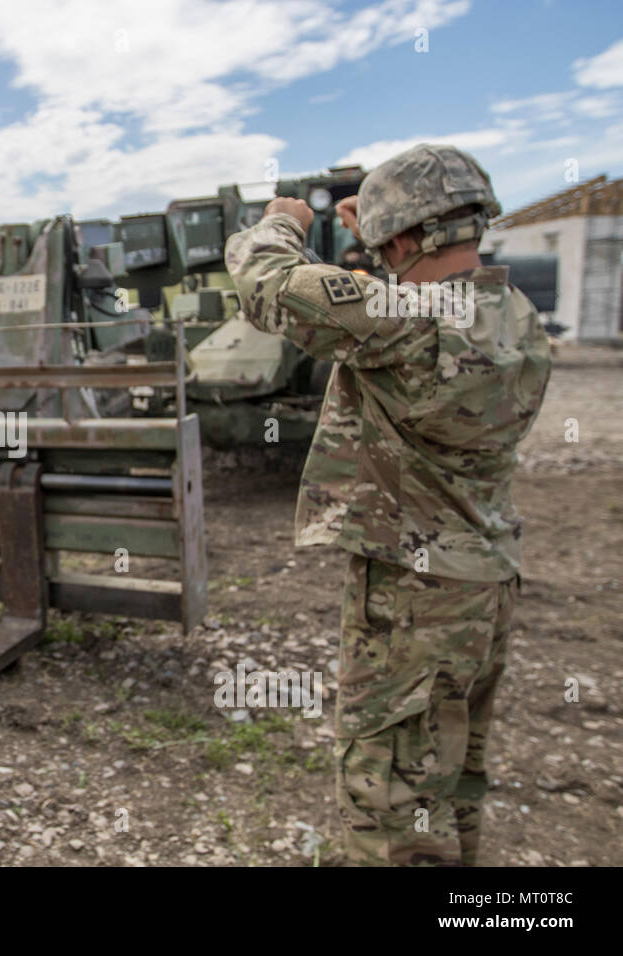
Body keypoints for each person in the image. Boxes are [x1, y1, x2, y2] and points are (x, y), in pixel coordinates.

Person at [223, 144, 552, 865]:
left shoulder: (402, 318)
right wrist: (385, 235)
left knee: (393, 813)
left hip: (414, 602)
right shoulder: (517, 318)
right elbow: (407, 294)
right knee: (454, 784)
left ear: (402, 241)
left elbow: (266, 283)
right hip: (487, 583)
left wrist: (284, 222)